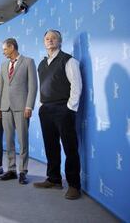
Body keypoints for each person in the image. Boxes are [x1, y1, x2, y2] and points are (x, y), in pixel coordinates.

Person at [34, 30, 83, 200]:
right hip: (46, 110)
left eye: (53, 38)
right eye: (47, 38)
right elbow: (44, 87)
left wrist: (70, 108)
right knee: (51, 146)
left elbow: (76, 86)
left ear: (60, 41)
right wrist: (41, 106)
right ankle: (54, 179)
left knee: (70, 148)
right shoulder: (41, 64)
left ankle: (74, 186)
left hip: (63, 109)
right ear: (44, 42)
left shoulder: (68, 60)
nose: (50, 40)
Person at [0, 38, 37, 185]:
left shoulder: (28, 62)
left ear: (12, 47)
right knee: (8, 140)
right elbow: (1, 87)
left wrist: (29, 106)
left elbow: (33, 86)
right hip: (5, 108)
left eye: (5, 49)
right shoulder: (4, 64)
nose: (3, 52)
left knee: (22, 140)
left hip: (21, 107)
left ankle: (23, 171)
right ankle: (11, 170)